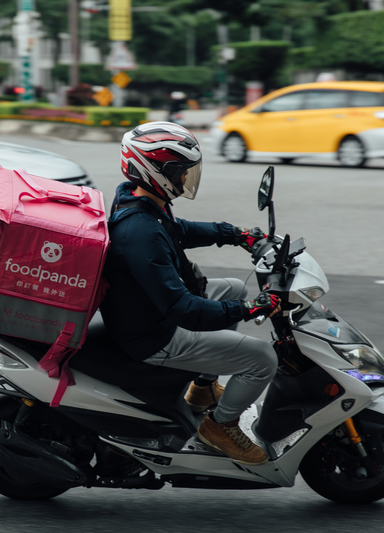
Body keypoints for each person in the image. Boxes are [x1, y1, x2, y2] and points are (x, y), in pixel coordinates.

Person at [98, 121, 282, 466]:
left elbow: (178, 230)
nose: (185, 178)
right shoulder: (139, 233)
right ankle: (220, 427)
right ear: (155, 171)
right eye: (180, 171)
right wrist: (250, 310)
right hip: (156, 336)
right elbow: (184, 310)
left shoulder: (137, 198)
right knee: (262, 360)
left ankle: (202, 388)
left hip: (150, 311)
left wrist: (235, 234)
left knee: (235, 286)